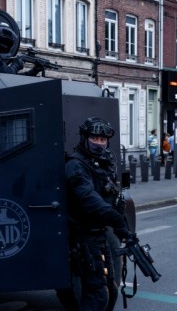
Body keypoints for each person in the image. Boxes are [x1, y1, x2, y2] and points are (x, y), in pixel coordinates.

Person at [63, 117, 131, 311]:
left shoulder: (102, 163)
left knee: (111, 289)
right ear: (85, 138)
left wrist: (122, 226)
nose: (99, 143)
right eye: (94, 138)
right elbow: (91, 201)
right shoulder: (76, 165)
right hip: (84, 236)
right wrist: (119, 223)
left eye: (102, 140)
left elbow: (112, 197)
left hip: (100, 233)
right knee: (97, 295)